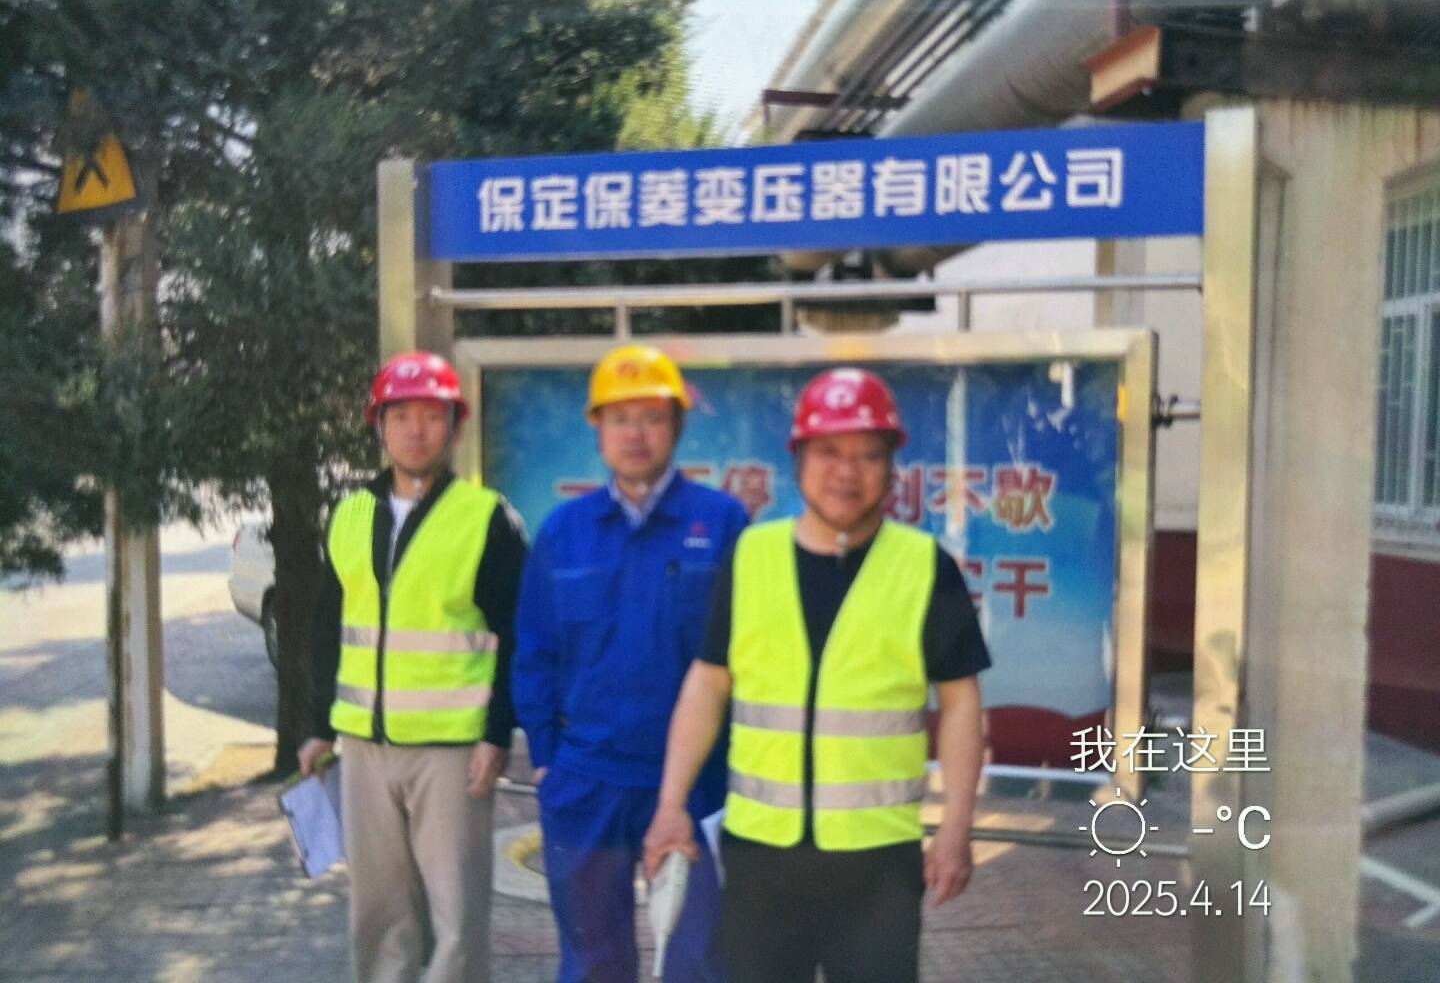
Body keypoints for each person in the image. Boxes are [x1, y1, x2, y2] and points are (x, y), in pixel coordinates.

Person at [642, 366, 991, 983]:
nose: (847, 472)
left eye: (867, 455)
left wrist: (956, 829)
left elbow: (962, 703)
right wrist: (671, 804)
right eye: (829, 452)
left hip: (877, 861)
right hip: (760, 856)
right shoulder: (752, 555)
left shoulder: (924, 566)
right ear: (799, 460)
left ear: (890, 467)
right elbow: (708, 681)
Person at [513, 343, 748, 983]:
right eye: (620, 418)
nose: (635, 433)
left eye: (651, 417)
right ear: (598, 428)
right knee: (593, 962)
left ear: (677, 426)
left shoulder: (723, 523)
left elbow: (748, 658)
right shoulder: (564, 531)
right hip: (586, 781)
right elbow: (534, 652)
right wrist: (547, 759)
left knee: (699, 961)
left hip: (699, 784)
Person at [297, 350, 527, 983]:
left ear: (453, 425)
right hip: (362, 749)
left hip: (452, 751)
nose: (416, 430)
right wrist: (318, 726)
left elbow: (514, 635)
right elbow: (328, 627)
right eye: (401, 416)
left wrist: (496, 734)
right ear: (380, 425)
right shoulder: (348, 513)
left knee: (457, 915)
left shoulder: (487, 518)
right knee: (377, 911)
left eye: (431, 415)